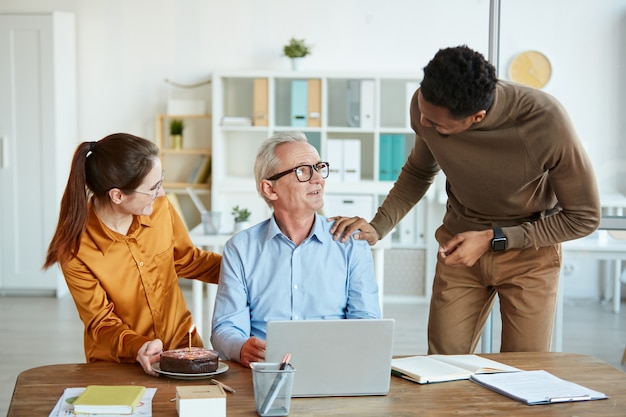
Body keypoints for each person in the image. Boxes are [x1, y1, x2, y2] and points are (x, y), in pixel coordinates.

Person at [330, 45, 601, 354]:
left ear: (477, 117)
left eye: (436, 124)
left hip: (529, 252)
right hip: (457, 246)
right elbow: (419, 171)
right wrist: (379, 226)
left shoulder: (546, 121)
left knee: (523, 370)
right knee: (442, 364)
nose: (424, 123)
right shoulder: (425, 108)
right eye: (422, 111)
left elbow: (585, 217)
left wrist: (492, 239)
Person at [43, 133, 221, 376]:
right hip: (121, 365)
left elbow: (187, 260)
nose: (161, 194)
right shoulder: (75, 249)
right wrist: (139, 347)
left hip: (183, 349)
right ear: (117, 195)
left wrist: (248, 269)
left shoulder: (159, 209)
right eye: (152, 188)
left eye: (161, 181)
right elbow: (101, 323)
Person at [211, 131, 381, 366]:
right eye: (303, 171)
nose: (318, 179)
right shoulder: (240, 249)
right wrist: (241, 347)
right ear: (270, 189)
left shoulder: (350, 242)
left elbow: (367, 322)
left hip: (335, 367)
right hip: (265, 371)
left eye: (319, 168)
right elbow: (225, 327)